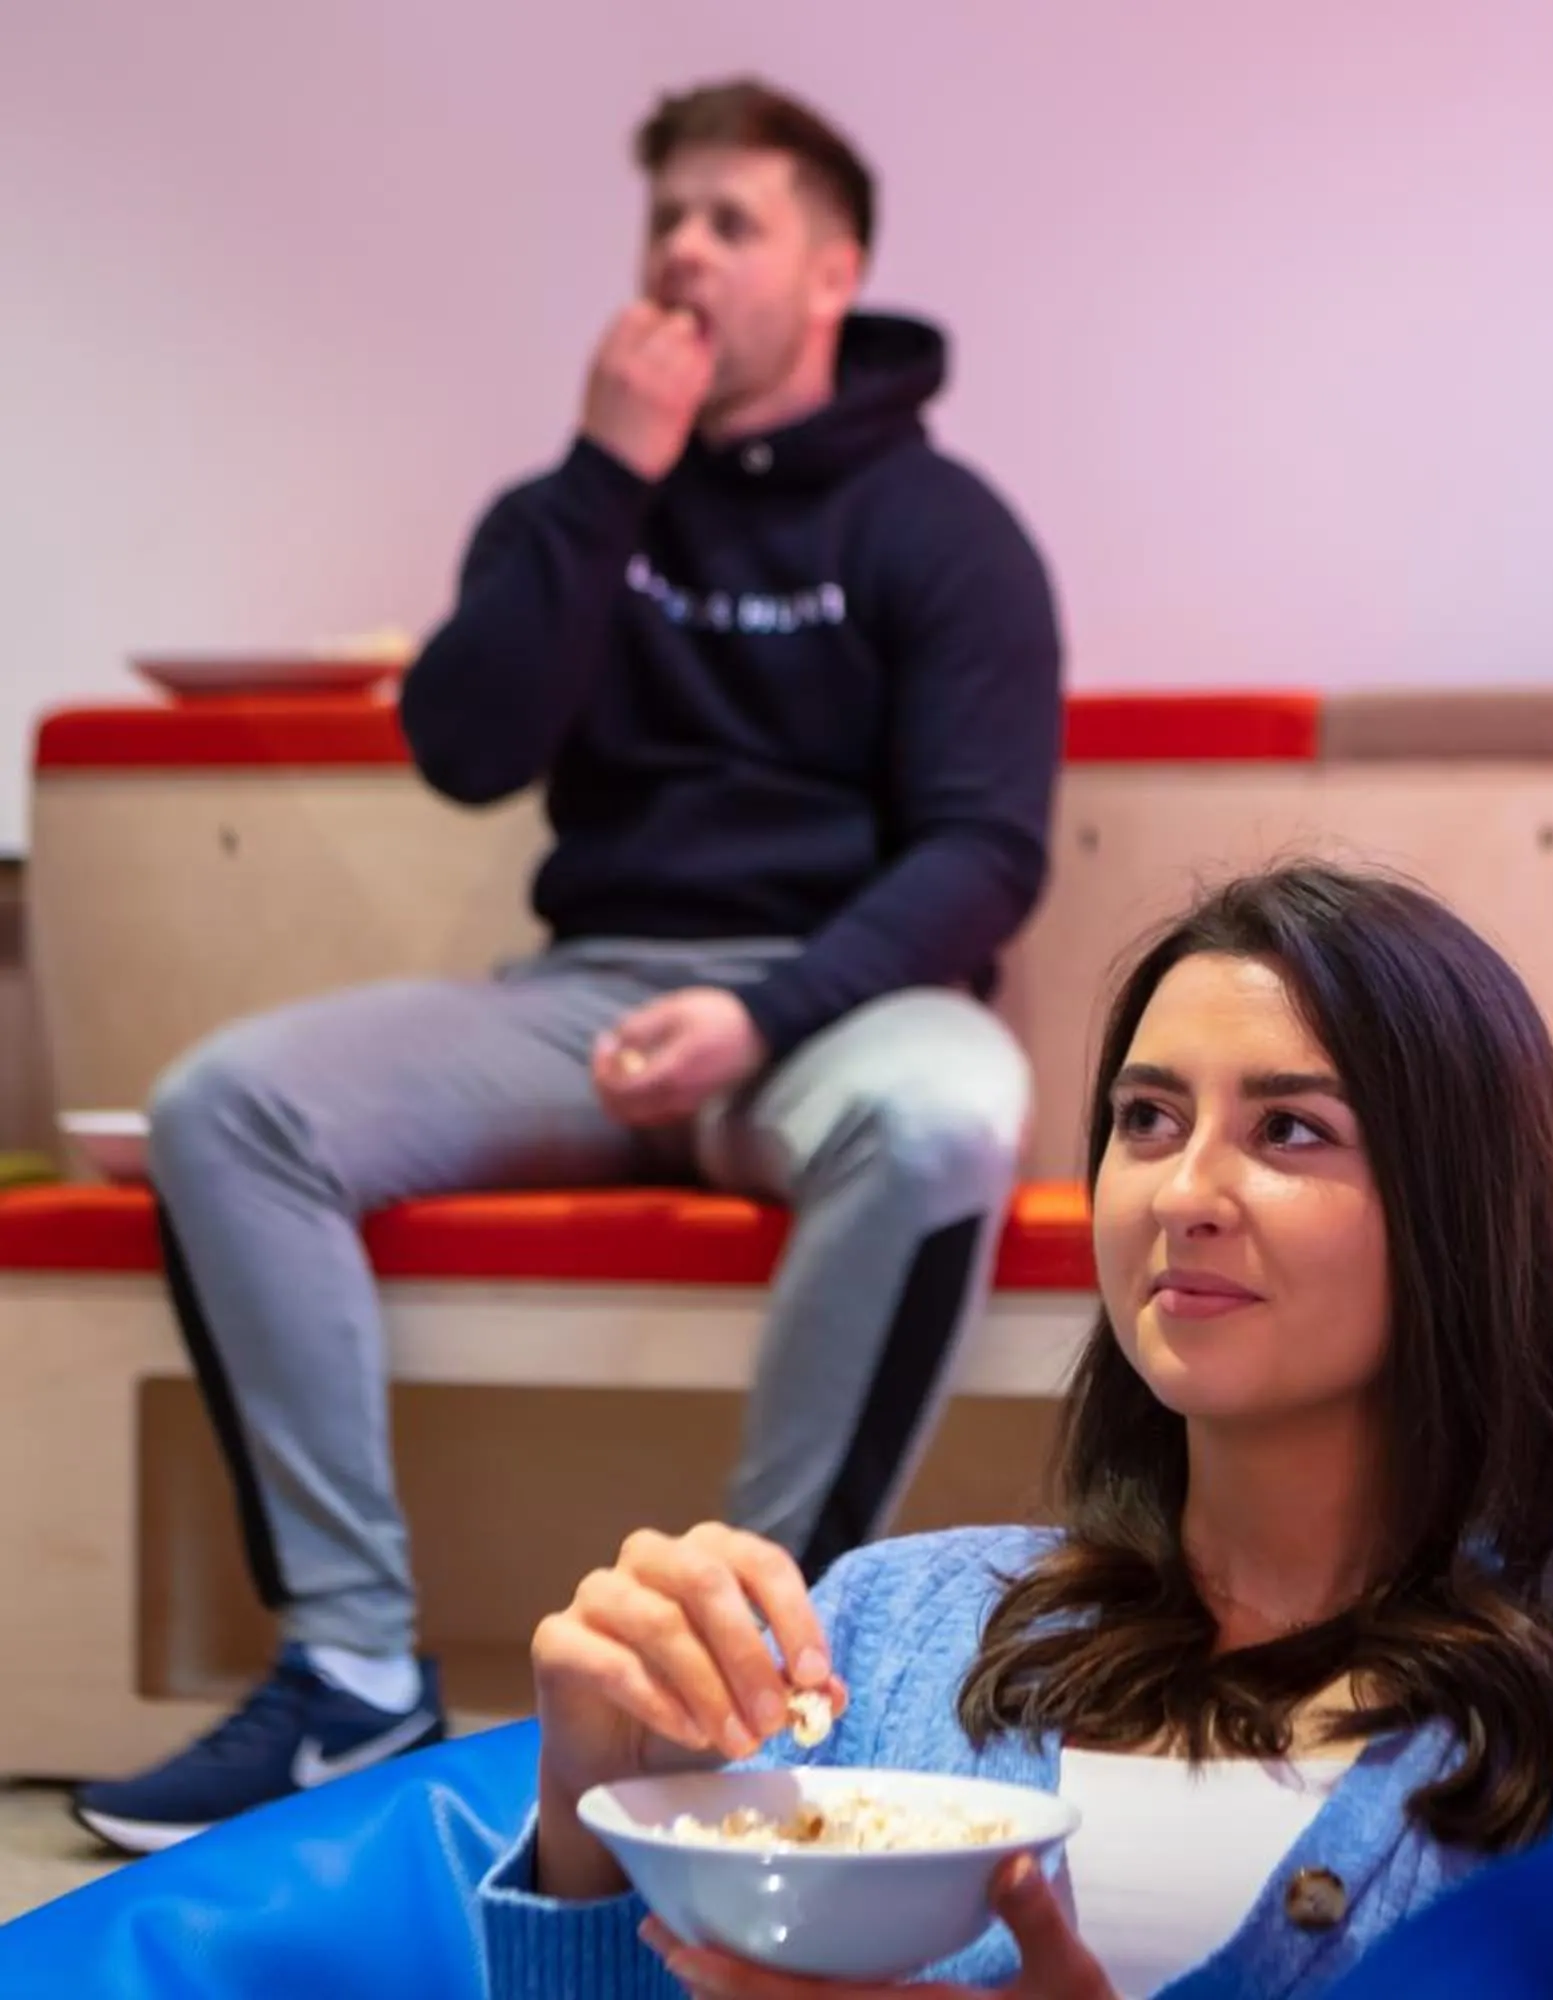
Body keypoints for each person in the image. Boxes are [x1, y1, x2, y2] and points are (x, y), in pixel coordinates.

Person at [73, 78, 1063, 1852]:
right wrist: (613, 469)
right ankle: (356, 1680)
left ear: (833, 271)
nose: (683, 250)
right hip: (589, 997)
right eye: (664, 217)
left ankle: (763, 1675)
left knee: (945, 1117)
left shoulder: (942, 527)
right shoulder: (575, 502)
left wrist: (757, 1016)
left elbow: (985, 853)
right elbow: (466, 742)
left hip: (825, 1013)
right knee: (230, 1105)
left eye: (731, 220)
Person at [466, 864, 1553, 1998]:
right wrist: (596, 1806)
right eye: (1146, 1119)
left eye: (1290, 1129)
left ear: (1461, 1214)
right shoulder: (885, 1630)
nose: (1184, 1190)